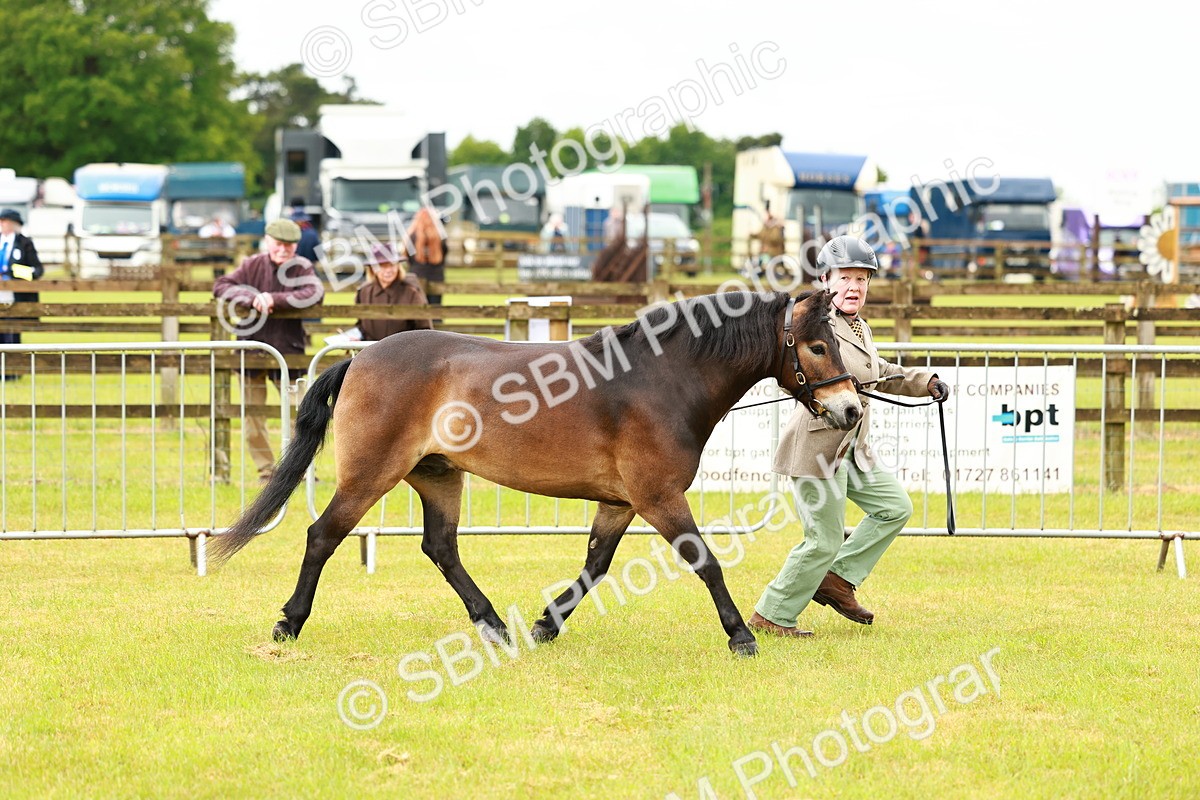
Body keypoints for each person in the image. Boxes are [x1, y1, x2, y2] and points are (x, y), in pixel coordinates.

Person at [748, 235, 950, 638]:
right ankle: (771, 615)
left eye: (862, 278)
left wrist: (923, 380)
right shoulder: (815, 325)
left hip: (853, 449)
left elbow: (879, 371)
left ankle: (837, 579)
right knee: (822, 539)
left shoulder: (859, 326)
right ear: (826, 279)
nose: (854, 286)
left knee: (895, 507)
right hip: (817, 447)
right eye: (846, 277)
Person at [213, 218, 325, 484]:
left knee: (301, 413)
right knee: (254, 416)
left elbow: (314, 292)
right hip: (251, 351)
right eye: (278, 244)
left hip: (289, 351)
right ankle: (265, 469)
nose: (283, 250)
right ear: (267, 242)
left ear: (296, 246)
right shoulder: (251, 264)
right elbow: (221, 285)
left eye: (289, 245)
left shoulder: (302, 267)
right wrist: (251, 297)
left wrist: (273, 299)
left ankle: (302, 469)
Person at [355, 243, 432, 340]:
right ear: (373, 269)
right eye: (382, 266)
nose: (388, 270)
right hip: (370, 351)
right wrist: (357, 338)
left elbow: (424, 328)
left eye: (392, 265)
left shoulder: (411, 291)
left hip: (403, 351)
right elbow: (360, 325)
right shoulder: (364, 292)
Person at [0, 209, 44, 371]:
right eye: (2, 222)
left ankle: (13, 369)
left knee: (11, 330)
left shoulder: (24, 243)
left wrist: (15, 272)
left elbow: (37, 270)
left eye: (7, 222)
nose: (4, 225)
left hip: (14, 293)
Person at [406, 207, 447, 306]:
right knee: (435, 309)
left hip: (416, 275)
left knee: (416, 308)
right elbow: (444, 254)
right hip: (436, 276)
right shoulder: (440, 237)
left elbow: (408, 256)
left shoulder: (412, 236)